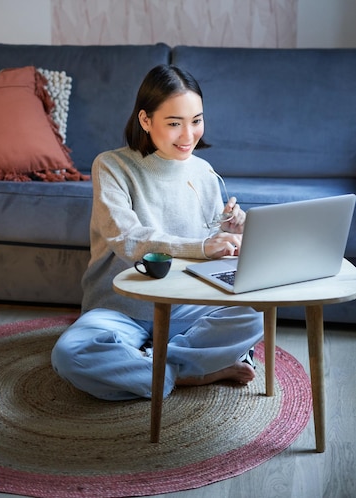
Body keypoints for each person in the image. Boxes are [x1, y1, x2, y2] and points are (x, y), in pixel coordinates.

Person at [51, 65, 263, 401]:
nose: (189, 135)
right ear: (145, 120)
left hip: (185, 306)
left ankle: (155, 369)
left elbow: (209, 236)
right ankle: (187, 371)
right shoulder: (111, 166)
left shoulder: (204, 172)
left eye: (196, 120)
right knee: (70, 355)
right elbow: (128, 239)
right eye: (175, 123)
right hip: (119, 309)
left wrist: (233, 227)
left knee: (251, 320)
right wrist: (205, 246)